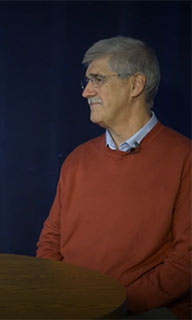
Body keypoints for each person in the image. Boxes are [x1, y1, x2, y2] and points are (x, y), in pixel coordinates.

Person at [36, 36, 191, 319]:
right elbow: (50, 240)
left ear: (135, 85)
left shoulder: (185, 158)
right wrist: (56, 294)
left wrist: (114, 305)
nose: (87, 92)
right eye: (87, 82)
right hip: (71, 306)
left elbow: (187, 261)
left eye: (98, 80)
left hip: (145, 309)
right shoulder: (77, 160)